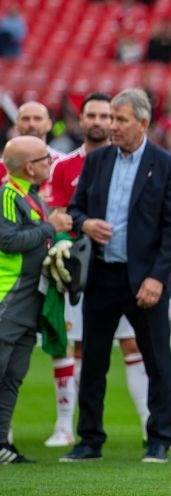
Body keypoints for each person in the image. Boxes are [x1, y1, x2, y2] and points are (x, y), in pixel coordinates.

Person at [61, 88, 171, 463]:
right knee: (94, 359)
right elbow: (75, 208)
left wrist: (158, 278)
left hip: (145, 280)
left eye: (120, 120)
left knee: (157, 361)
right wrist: (86, 224)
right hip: (101, 275)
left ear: (142, 123)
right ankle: (89, 439)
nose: (112, 126)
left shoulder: (165, 164)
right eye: (111, 119)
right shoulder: (97, 161)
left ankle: (159, 438)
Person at [44, 93, 149, 448]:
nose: (99, 122)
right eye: (92, 114)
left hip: (123, 268)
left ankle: (148, 422)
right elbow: (57, 215)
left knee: (131, 343)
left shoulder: (135, 163)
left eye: (107, 115)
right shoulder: (65, 167)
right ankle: (65, 425)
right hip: (79, 271)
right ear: (82, 119)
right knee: (78, 347)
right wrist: (68, 232)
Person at [0, 136, 73, 463]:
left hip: (29, 302)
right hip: (8, 300)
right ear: (30, 167)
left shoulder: (32, 197)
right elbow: (8, 241)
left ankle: (1, 444)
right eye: (45, 159)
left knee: (13, 376)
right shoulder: (8, 195)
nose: (49, 163)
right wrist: (49, 228)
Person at [0, 102, 66, 202]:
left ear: (49, 124)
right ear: (16, 125)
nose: (31, 124)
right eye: (25, 119)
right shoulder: (2, 166)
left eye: (37, 119)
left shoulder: (64, 164)